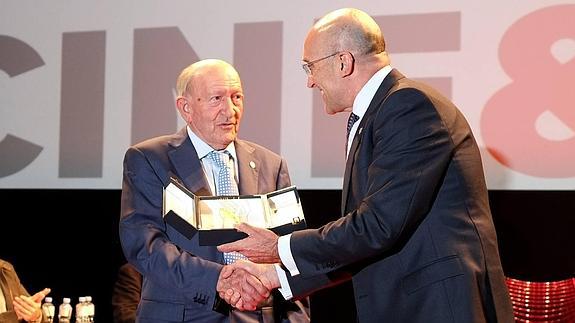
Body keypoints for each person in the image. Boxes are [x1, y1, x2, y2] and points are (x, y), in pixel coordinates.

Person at [218, 8, 515, 323]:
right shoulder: (378, 113)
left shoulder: (407, 106)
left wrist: (280, 247)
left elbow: (377, 227)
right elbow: (366, 240)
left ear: (343, 62)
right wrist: (275, 276)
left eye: (310, 67)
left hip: (438, 308)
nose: (309, 82)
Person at [119, 59, 310, 322]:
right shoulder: (150, 159)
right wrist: (218, 279)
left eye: (237, 97)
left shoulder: (272, 165)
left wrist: (297, 318)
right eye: (216, 98)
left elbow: (292, 249)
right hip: (183, 315)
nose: (230, 110)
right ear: (186, 108)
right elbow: (144, 245)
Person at [0, 258, 51, 323]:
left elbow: (30, 304)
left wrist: (36, 314)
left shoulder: (6, 269)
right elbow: (17, 315)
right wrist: (14, 316)